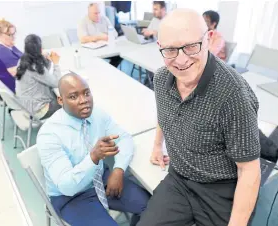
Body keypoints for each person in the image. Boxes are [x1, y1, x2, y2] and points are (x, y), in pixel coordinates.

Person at [138, 9, 261, 226]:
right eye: (170, 50)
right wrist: (157, 146)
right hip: (179, 178)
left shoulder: (233, 95)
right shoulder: (160, 79)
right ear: (160, 48)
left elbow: (249, 170)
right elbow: (163, 113)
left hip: (220, 189)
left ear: (209, 39)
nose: (181, 60)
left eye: (191, 46)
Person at [37, 73, 150, 226]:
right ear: (61, 100)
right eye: (73, 96)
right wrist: (93, 158)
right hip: (71, 198)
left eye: (86, 93)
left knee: (153, 207)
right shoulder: (49, 134)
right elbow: (66, 186)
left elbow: (124, 138)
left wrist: (118, 170)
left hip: (101, 179)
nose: (84, 101)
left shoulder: (97, 114)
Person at [15, 34, 62, 119]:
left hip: (27, 106)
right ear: (39, 48)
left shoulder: (23, 60)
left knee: (56, 94)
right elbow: (57, 82)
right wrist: (56, 63)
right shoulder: (35, 66)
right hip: (39, 110)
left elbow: (43, 73)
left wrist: (45, 58)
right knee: (69, 102)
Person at [77, 3, 122, 68]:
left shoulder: (104, 19)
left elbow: (115, 34)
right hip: (91, 51)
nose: (98, 15)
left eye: (99, 13)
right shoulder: (83, 21)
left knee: (118, 56)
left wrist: (108, 36)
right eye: (95, 13)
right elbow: (82, 39)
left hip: (105, 49)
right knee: (94, 62)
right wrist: (99, 37)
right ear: (89, 13)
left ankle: (109, 70)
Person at [0, 19, 22, 95]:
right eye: (10, 35)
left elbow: (22, 56)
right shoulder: (2, 51)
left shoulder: (7, 46)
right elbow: (18, 73)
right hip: (13, 89)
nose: (13, 37)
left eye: (14, 34)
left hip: (11, 85)